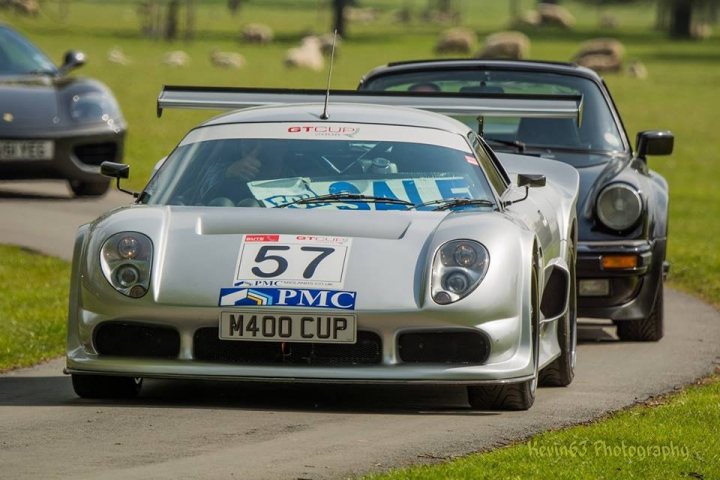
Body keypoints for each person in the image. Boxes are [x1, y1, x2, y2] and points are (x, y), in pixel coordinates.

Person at [201, 139, 290, 206]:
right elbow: (195, 191)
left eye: (268, 147)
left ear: (282, 149)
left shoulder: (294, 178)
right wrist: (227, 172)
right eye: (250, 143)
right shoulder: (218, 169)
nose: (256, 150)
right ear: (240, 146)